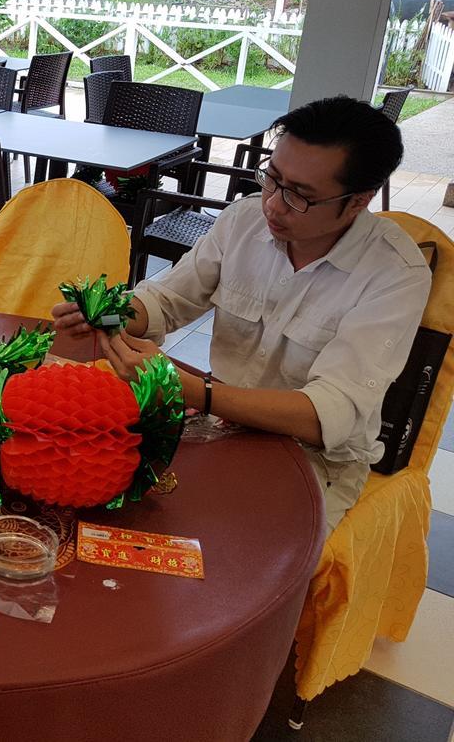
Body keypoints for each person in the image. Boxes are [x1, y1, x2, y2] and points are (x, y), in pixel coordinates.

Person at [53, 96, 431, 534]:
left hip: (312, 460)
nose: (273, 204)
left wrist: (192, 391)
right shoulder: (245, 220)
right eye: (272, 179)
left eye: (300, 196)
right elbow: (170, 299)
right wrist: (112, 312)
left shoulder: (394, 274)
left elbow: (329, 413)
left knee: (232, 558)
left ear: (357, 202)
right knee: (92, 494)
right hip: (217, 424)